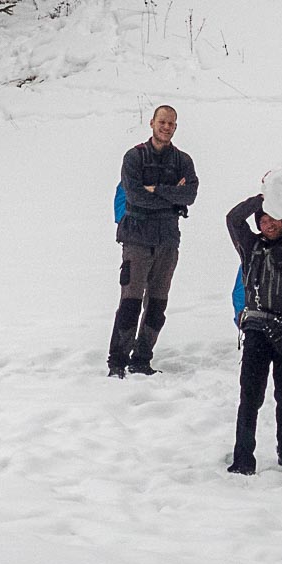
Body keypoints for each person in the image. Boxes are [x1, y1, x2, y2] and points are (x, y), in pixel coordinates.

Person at [225, 193, 282, 474]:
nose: (268, 224)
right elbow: (233, 219)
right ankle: (242, 460)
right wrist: (266, 196)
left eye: (272, 218)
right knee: (250, 398)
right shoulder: (249, 246)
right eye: (263, 220)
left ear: (281, 219)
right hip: (256, 331)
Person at [107, 105, 199, 378]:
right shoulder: (134, 157)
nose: (166, 127)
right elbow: (135, 196)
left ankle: (142, 359)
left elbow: (190, 195)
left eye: (171, 123)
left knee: (157, 303)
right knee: (131, 301)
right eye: (162, 122)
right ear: (152, 123)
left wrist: (157, 189)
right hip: (136, 238)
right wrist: (172, 194)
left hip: (168, 240)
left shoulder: (183, 160)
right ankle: (117, 361)